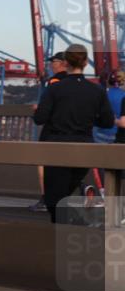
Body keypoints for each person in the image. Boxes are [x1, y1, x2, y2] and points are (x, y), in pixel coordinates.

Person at [33, 44, 114, 224]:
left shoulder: (55, 89)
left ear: (66, 63)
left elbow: (40, 118)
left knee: (55, 198)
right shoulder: (97, 91)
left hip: (57, 147)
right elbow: (107, 122)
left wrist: (41, 111)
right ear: (85, 62)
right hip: (84, 148)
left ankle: (61, 231)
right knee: (67, 190)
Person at [29, 52, 68, 212]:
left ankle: (46, 199)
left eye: (54, 61)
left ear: (63, 63)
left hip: (52, 129)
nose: (52, 64)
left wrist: (39, 109)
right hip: (73, 130)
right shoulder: (79, 83)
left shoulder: (54, 81)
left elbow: (47, 110)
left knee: (42, 163)